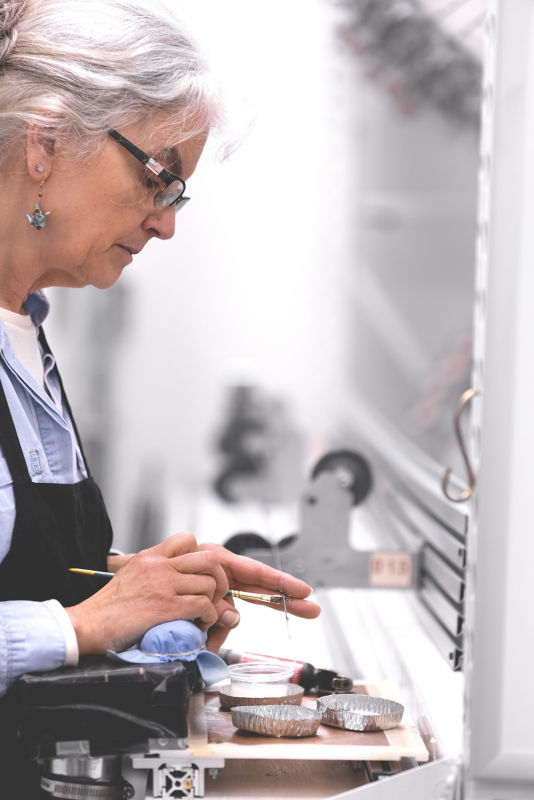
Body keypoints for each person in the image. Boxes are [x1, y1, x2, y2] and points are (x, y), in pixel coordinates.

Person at [0, 0, 320, 790]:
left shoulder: (25, 334)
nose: (165, 224)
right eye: (160, 177)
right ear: (44, 143)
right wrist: (80, 624)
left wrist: (129, 583)